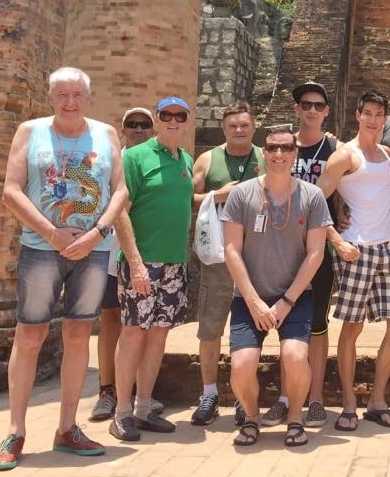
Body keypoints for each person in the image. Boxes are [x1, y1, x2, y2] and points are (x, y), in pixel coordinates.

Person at [0, 67, 127, 470]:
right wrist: (51, 233)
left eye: (77, 94)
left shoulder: (105, 134)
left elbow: (120, 191)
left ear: (88, 97)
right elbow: (11, 190)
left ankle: (67, 428)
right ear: (50, 97)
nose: (70, 102)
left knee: (79, 334)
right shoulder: (30, 132)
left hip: (92, 250)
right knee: (30, 334)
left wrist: (97, 233)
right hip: (41, 249)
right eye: (62, 95)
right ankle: (15, 431)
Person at [222, 125, 331, 448]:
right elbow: (231, 250)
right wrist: (254, 301)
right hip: (250, 296)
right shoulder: (242, 194)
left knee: (295, 356)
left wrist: (286, 301)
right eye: (272, 148)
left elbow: (315, 253)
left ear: (295, 153)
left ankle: (295, 417)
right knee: (242, 365)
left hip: (294, 297)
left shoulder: (311, 196)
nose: (279, 154)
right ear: (263, 152)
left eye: (285, 148)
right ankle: (251, 417)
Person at [317, 90, 390, 432]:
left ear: (385, 118)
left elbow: (381, 196)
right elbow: (314, 201)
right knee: (352, 328)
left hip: (386, 248)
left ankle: (377, 400)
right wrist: (336, 240)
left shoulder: (386, 153)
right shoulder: (344, 156)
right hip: (355, 249)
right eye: (367, 113)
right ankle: (349, 403)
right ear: (357, 115)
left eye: (378, 114)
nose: (372, 119)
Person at [109, 97, 194, 442]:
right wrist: (135, 263)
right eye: (166, 115)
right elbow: (120, 210)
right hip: (143, 263)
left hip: (175, 262)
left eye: (180, 115)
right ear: (157, 119)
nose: (173, 121)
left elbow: (180, 201)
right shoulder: (135, 157)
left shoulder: (185, 160)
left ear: (187, 121)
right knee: (133, 333)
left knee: (159, 334)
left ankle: (144, 407)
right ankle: (121, 413)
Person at [265, 81, 338, 429]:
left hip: (317, 250)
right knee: (287, 326)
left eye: (318, 106)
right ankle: (285, 397)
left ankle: (316, 398)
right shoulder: (281, 147)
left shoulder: (334, 149)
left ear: (326, 112)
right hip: (282, 249)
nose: (311, 110)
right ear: (296, 109)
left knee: (318, 326)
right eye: (305, 104)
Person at [189, 102, 266, 426]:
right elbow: (187, 199)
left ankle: (242, 395)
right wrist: (216, 195)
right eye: (233, 126)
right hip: (219, 257)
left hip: (256, 258)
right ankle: (208, 393)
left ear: (253, 127)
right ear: (224, 128)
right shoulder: (208, 159)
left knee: (248, 329)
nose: (239, 130)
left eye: (244, 125)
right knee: (211, 327)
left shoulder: (265, 157)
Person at [90, 107, 163, 423]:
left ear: (152, 130)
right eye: (132, 124)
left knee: (144, 325)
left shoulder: (157, 162)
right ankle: (107, 390)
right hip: (110, 252)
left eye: (144, 124)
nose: (138, 129)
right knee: (111, 319)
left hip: (148, 254)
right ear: (122, 130)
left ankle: (138, 392)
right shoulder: (109, 163)